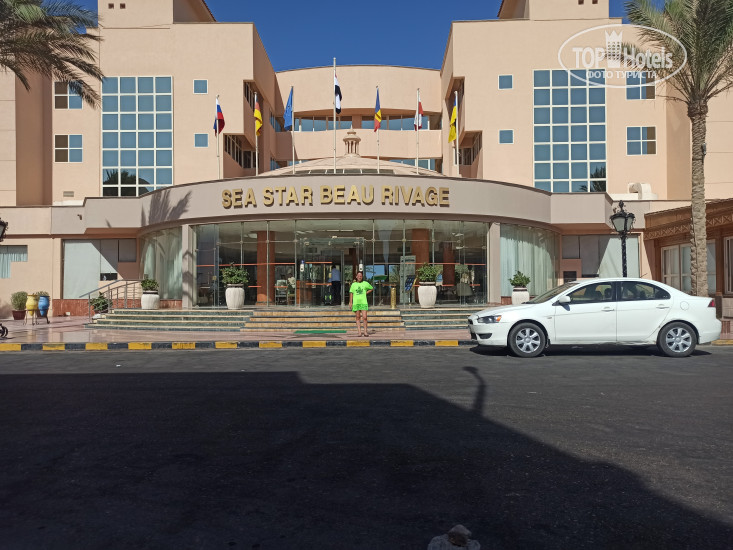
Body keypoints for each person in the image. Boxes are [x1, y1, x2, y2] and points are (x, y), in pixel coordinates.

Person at [349, 270, 373, 336]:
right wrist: (350, 302)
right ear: (356, 276)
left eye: (361, 276)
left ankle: (365, 332)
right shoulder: (353, 284)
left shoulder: (365, 283)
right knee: (358, 317)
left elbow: (371, 288)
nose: (360, 277)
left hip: (363, 302)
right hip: (356, 303)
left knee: (365, 317)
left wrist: (366, 293)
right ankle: (359, 332)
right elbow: (351, 293)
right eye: (358, 276)